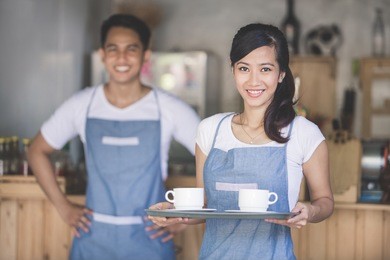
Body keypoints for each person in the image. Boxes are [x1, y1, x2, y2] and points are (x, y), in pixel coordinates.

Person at [148, 23, 334, 259]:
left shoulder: (304, 133)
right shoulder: (210, 130)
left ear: (281, 74)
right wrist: (173, 212)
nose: (253, 81)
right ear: (233, 70)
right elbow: (203, 206)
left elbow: (325, 201)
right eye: (244, 68)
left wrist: (310, 210)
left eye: (265, 69)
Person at [28, 13, 200, 260]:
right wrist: (63, 208)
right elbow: (36, 151)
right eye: (113, 49)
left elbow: (213, 158)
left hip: (150, 241)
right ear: (102, 55)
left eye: (131, 49)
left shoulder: (169, 108)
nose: (121, 58)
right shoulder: (82, 104)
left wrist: (187, 219)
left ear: (145, 56)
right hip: (92, 239)